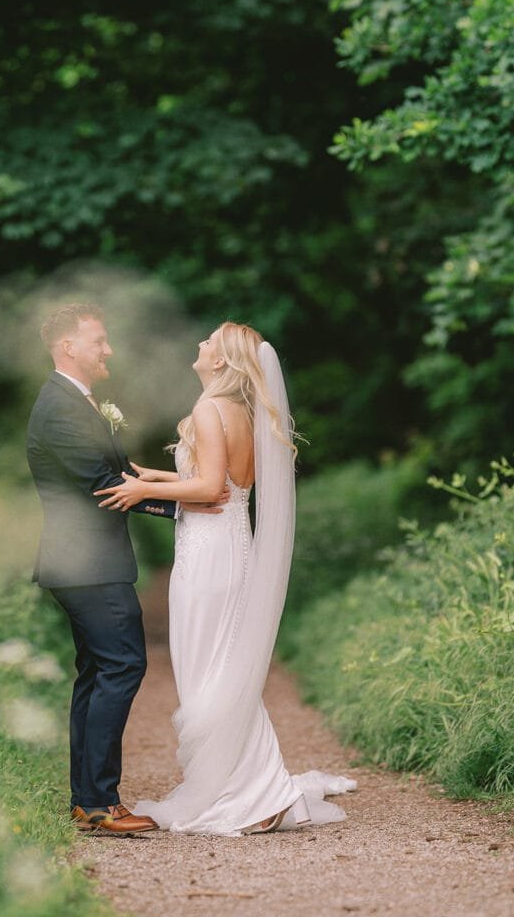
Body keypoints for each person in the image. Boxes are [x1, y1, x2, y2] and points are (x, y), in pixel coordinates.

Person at [96, 322, 356, 835]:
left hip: (208, 550)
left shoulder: (208, 409)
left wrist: (136, 494)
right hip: (232, 542)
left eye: (209, 342)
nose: (200, 344)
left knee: (207, 671)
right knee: (222, 667)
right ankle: (256, 788)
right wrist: (158, 476)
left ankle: (253, 794)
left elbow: (211, 486)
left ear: (220, 362)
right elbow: (229, 485)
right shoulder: (241, 413)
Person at [26, 303, 227, 837]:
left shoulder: (76, 402)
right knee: (121, 667)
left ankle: (88, 800)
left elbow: (120, 472)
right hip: (85, 563)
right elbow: (102, 483)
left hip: (87, 562)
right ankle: (97, 801)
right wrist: (183, 506)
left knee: (99, 673)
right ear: (69, 346)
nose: (107, 349)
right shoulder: (60, 407)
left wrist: (167, 487)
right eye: (98, 341)